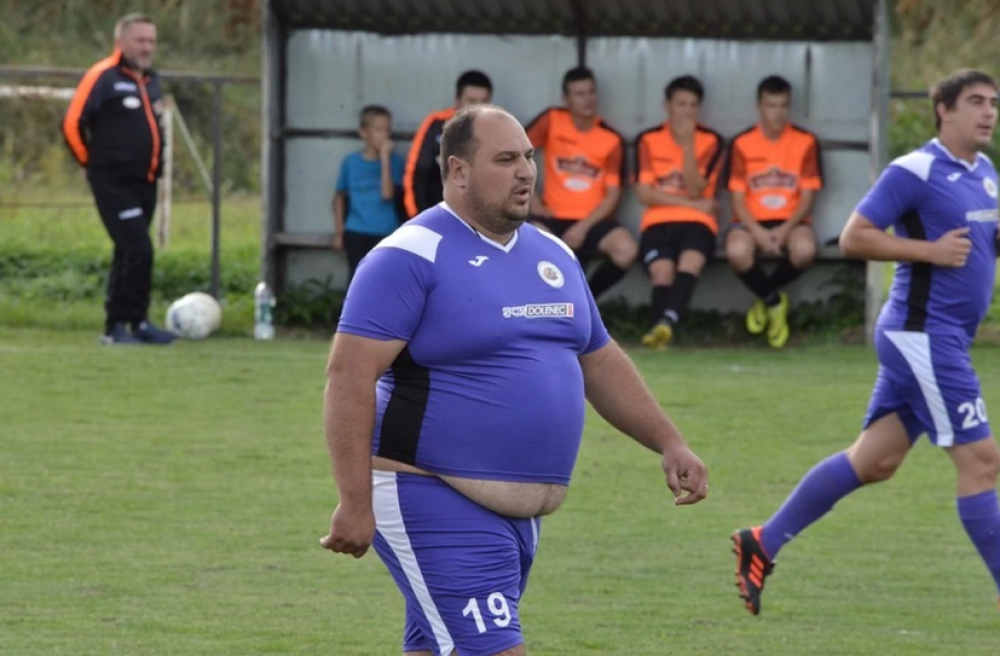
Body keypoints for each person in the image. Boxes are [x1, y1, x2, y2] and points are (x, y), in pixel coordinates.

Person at [320, 104, 708, 656]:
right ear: (458, 170)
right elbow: (348, 376)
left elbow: (598, 358)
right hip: (430, 495)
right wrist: (354, 501)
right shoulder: (409, 255)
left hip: (516, 520)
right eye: (506, 160)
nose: (526, 172)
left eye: (528, 157)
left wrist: (669, 441)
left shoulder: (553, 252)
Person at [732, 69, 1000, 616]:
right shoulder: (914, 170)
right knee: (982, 461)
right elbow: (855, 236)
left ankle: (762, 540)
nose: (989, 112)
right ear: (944, 110)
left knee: (875, 462)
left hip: (939, 339)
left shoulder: (986, 172)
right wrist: (927, 252)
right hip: (922, 337)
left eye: (993, 103)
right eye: (976, 101)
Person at [61, 13, 176, 345]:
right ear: (121, 42)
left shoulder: (151, 80)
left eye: (151, 41)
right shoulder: (103, 76)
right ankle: (115, 327)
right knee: (139, 248)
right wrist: (88, 162)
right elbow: (72, 123)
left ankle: (135, 323)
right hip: (113, 183)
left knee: (128, 252)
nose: (146, 47)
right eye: (140, 40)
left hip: (146, 182)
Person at [725, 75, 823, 349]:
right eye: (771, 106)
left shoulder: (805, 142)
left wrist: (784, 230)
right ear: (759, 107)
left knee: (804, 251)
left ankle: (764, 296)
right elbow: (737, 198)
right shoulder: (742, 143)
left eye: (783, 106)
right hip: (749, 221)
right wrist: (757, 232)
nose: (778, 113)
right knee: (737, 252)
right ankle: (774, 302)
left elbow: (808, 196)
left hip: (791, 221)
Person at [525, 67, 638, 302]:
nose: (588, 99)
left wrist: (583, 228)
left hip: (592, 220)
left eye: (591, 92)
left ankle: (586, 302)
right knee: (531, 240)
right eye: (579, 94)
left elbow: (613, 195)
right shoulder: (552, 120)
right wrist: (532, 199)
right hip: (552, 216)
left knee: (626, 250)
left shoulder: (611, 139)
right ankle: (539, 307)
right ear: (566, 99)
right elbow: (517, 152)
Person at [634, 75, 725, 350]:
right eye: (681, 104)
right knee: (662, 272)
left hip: (699, 222)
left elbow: (697, 190)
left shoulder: (711, 141)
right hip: (658, 221)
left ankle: (664, 325)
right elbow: (644, 194)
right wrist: (693, 204)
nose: (686, 112)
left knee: (690, 263)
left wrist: (687, 147)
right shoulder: (648, 139)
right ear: (667, 106)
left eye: (693, 105)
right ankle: (661, 328)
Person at [403, 70, 493, 218]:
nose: (477, 108)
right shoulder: (436, 124)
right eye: (471, 101)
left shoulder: (497, 130)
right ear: (457, 100)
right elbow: (416, 172)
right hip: (435, 215)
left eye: (483, 102)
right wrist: (417, 217)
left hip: (478, 220)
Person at [333, 105, 406, 283]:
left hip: (386, 231)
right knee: (357, 281)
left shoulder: (395, 162)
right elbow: (339, 197)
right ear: (364, 133)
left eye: (387, 130)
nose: (384, 135)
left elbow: (387, 194)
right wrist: (339, 232)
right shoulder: (350, 162)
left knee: (384, 282)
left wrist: (385, 159)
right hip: (356, 230)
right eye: (378, 130)